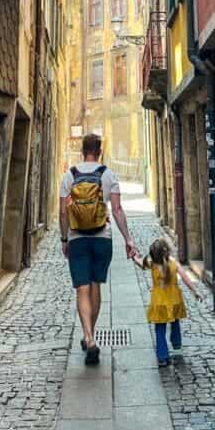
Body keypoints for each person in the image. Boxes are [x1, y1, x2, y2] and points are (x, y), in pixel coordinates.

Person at [60, 134, 138, 365]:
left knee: (81, 289)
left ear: (83, 151)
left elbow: (63, 212)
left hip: (77, 239)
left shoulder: (69, 175)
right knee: (95, 286)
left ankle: (88, 337)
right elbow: (117, 209)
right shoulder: (108, 175)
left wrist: (64, 239)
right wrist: (128, 239)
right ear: (100, 151)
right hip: (102, 237)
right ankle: (90, 335)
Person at [133, 238, 202, 367]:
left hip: (159, 302)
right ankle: (176, 346)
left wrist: (134, 256)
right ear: (167, 251)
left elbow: (140, 264)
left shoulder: (152, 264)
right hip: (174, 300)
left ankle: (162, 357)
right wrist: (195, 291)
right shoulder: (174, 263)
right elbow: (186, 278)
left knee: (160, 329)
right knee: (175, 322)